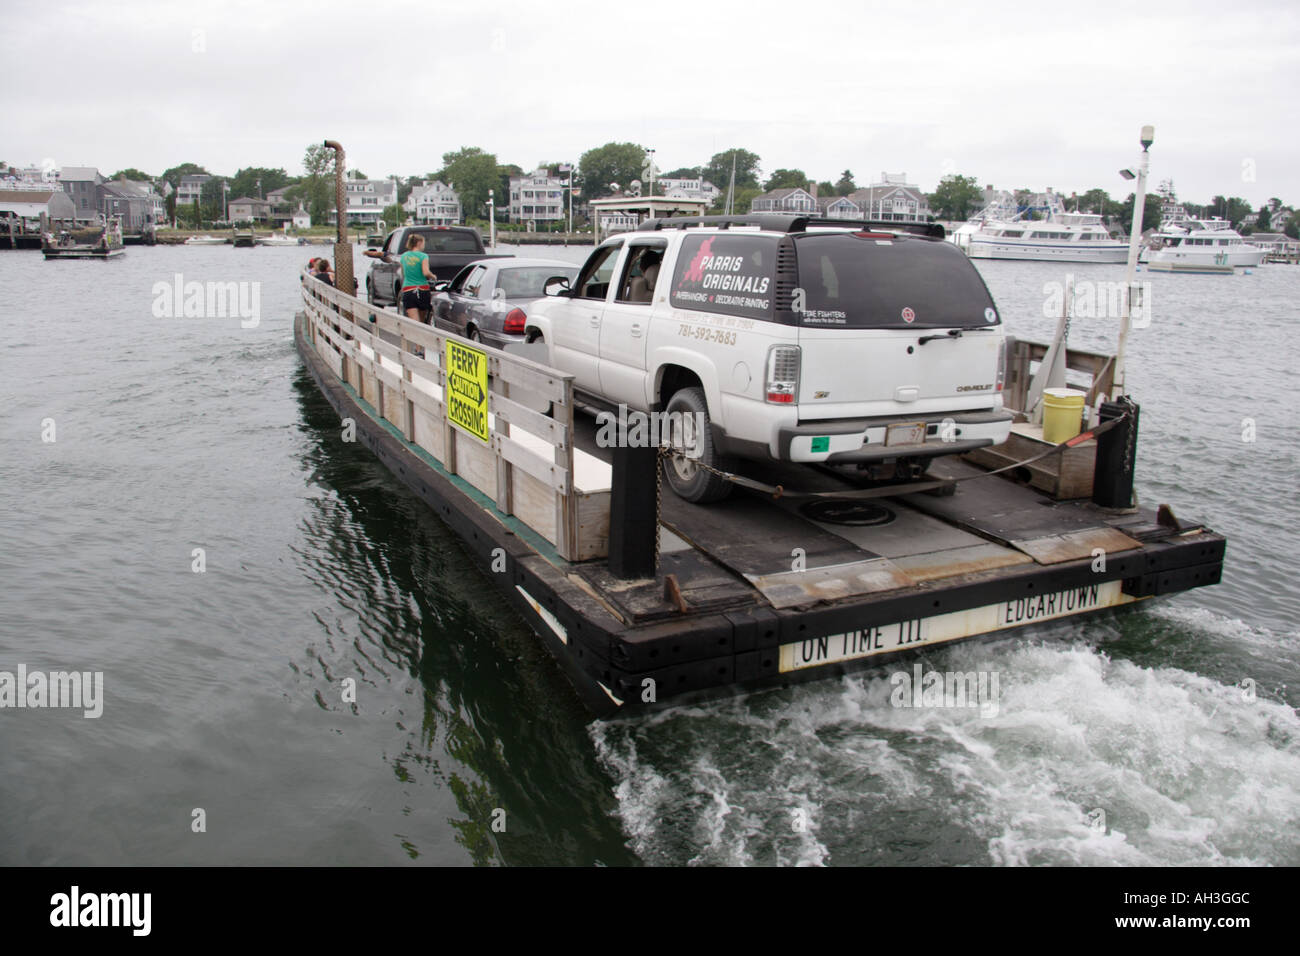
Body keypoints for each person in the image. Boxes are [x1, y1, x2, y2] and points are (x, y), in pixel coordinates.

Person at [396, 233, 437, 322]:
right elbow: (426, 272)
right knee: (422, 321)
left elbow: (403, 273)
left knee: (414, 321)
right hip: (422, 289)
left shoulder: (404, 256)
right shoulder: (423, 256)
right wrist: (433, 276)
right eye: (423, 243)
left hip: (408, 290)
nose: (423, 246)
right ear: (419, 243)